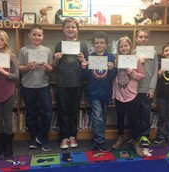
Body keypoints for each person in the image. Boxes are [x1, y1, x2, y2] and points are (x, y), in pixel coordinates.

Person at [52, 17, 89, 149]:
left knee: (74, 111)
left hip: (77, 83)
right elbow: (54, 65)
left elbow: (86, 66)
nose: (70, 29)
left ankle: (72, 136)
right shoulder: (59, 44)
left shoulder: (83, 45)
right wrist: (56, 59)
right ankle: (63, 137)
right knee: (62, 110)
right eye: (67, 27)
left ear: (77, 29)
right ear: (63, 29)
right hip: (62, 82)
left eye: (73, 27)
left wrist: (83, 60)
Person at [18, 24, 53, 151]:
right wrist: (26, 67)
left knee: (47, 112)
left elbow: (50, 68)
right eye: (34, 34)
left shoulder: (47, 50)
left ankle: (43, 137)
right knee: (31, 113)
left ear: (43, 36)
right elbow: (19, 68)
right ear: (29, 35)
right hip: (28, 86)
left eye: (39, 35)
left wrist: (49, 68)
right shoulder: (23, 50)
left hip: (43, 85)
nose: (37, 37)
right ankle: (33, 137)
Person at [81, 31, 116, 152]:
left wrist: (111, 69)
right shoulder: (90, 57)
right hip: (93, 92)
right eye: (97, 43)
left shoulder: (111, 57)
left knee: (103, 116)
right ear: (93, 44)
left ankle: (97, 140)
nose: (99, 45)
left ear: (106, 44)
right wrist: (84, 68)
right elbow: (85, 77)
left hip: (106, 92)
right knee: (98, 117)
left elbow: (112, 77)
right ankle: (100, 141)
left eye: (102, 43)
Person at [112, 36, 145, 157]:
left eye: (126, 46)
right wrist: (113, 93)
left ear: (130, 47)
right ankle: (120, 138)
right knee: (120, 118)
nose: (123, 48)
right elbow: (114, 77)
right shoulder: (116, 60)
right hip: (119, 94)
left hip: (132, 95)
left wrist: (132, 72)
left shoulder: (135, 60)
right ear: (118, 48)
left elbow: (142, 76)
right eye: (121, 46)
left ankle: (136, 142)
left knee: (133, 120)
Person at [135, 28, 158, 146]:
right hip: (133, 89)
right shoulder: (133, 52)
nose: (143, 39)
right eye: (140, 37)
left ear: (149, 38)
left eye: (145, 37)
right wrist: (139, 62)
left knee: (145, 113)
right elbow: (128, 69)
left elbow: (155, 72)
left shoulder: (153, 53)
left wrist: (152, 88)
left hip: (146, 89)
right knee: (134, 114)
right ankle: (135, 136)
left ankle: (144, 135)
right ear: (136, 38)